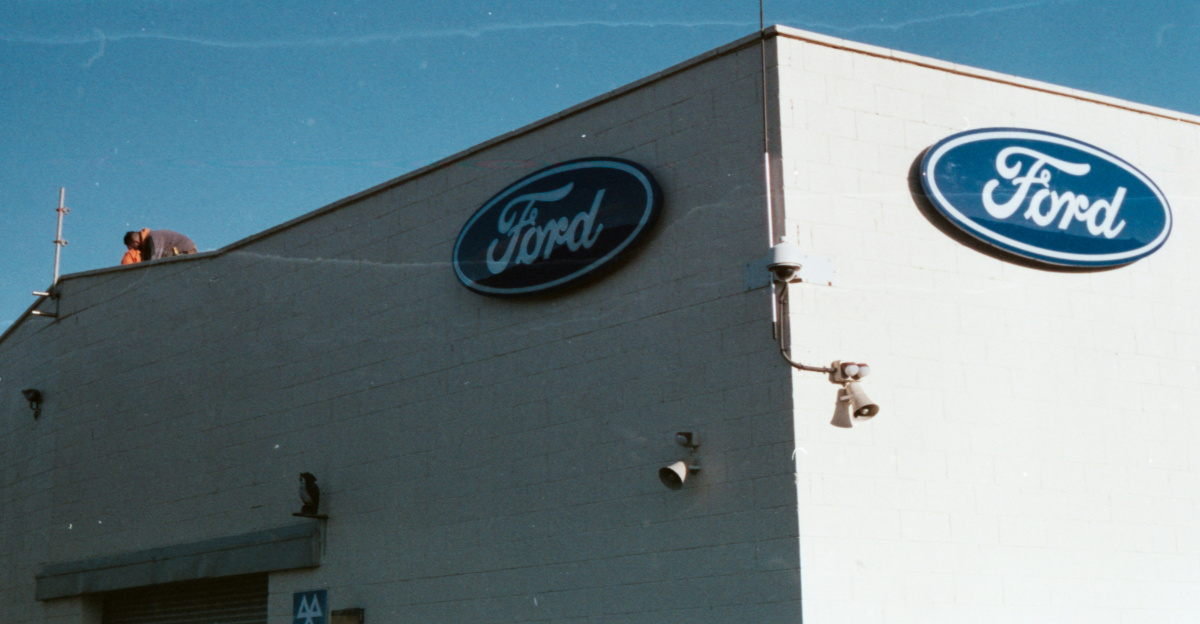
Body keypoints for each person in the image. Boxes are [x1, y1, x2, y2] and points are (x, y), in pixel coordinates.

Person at [120, 228, 197, 264]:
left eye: (132, 248)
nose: (135, 251)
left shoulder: (152, 238)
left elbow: (153, 263)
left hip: (188, 254)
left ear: (136, 242)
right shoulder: (149, 240)